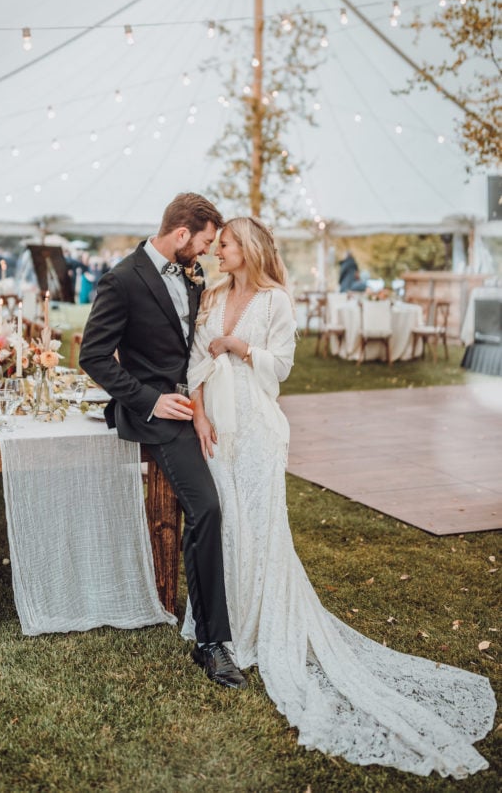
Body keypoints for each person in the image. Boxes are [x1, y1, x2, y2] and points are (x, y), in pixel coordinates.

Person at [182, 216, 496, 778]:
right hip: (217, 428)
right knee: (225, 521)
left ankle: (254, 629)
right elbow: (194, 363)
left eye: (224, 244)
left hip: (256, 426)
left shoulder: (276, 301)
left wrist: (239, 345)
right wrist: (200, 413)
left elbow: (281, 367)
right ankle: (218, 625)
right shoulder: (210, 294)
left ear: (246, 247)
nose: (217, 252)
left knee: (259, 521)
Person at [80, 192, 246, 690]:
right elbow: (93, 356)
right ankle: (212, 644)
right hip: (160, 415)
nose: (206, 252)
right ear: (181, 235)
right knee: (207, 509)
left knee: (232, 502)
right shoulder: (123, 279)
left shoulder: (192, 275)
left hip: (202, 406)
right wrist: (151, 401)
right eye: (205, 242)